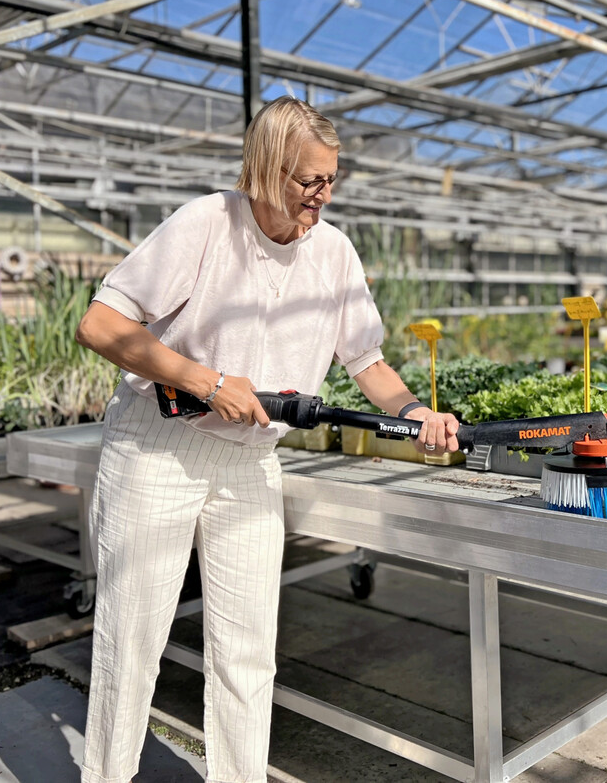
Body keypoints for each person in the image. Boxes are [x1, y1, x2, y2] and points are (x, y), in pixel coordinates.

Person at [74, 95, 460, 783]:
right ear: (265, 168)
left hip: (252, 461)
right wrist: (205, 380)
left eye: (331, 180)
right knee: (131, 640)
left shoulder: (333, 253)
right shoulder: (207, 224)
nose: (322, 196)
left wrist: (414, 411)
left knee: (248, 652)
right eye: (309, 180)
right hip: (159, 449)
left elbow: (366, 361)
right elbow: (101, 325)